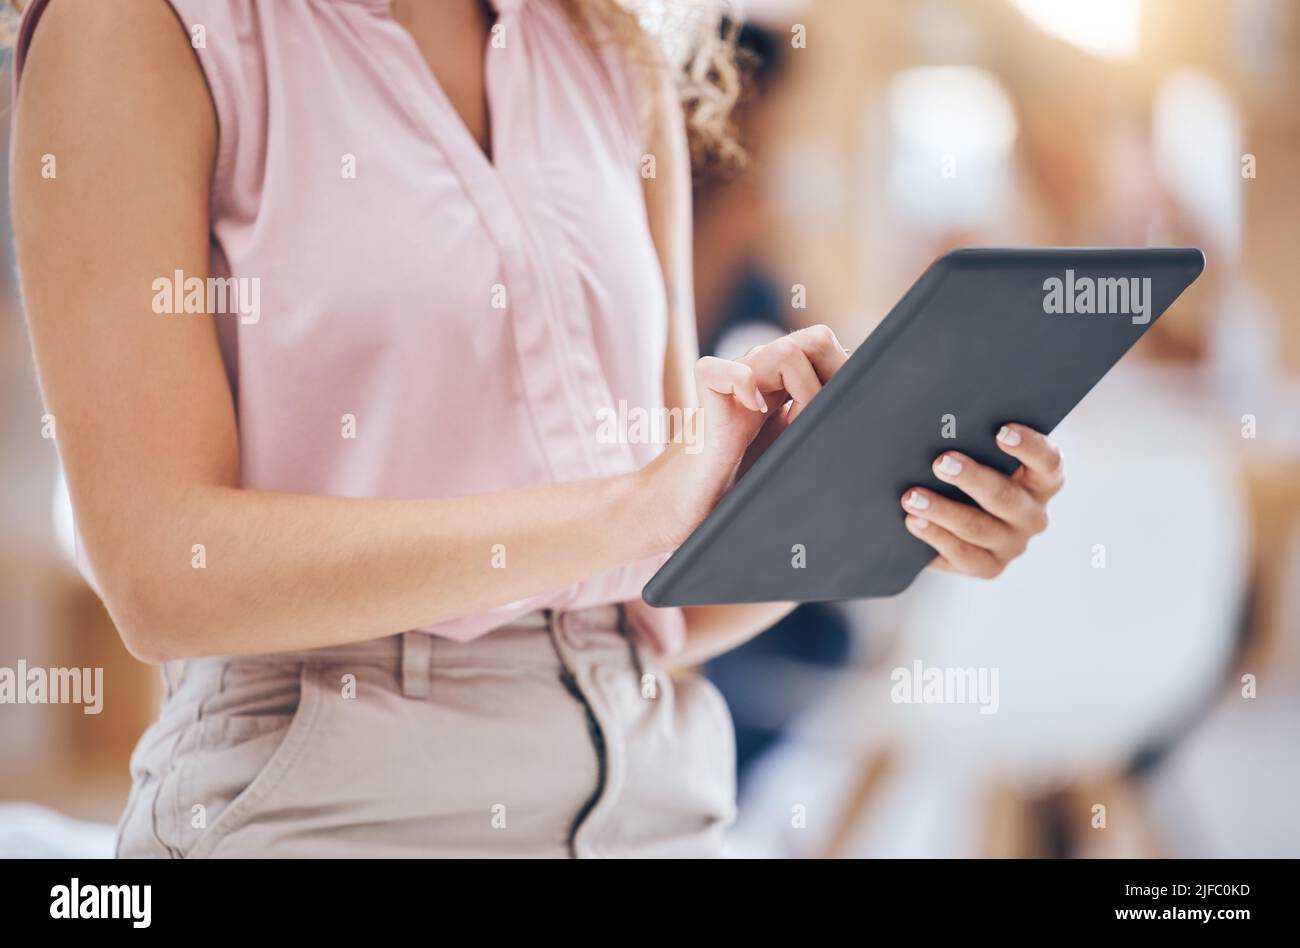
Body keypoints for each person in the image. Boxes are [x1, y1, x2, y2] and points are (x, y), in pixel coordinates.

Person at [9, 0, 1065, 858]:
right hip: (333, 802)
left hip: (660, 791)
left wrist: (881, 498)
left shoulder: (608, 49)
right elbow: (161, 575)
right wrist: (631, 507)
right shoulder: (144, 27)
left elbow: (656, 586)